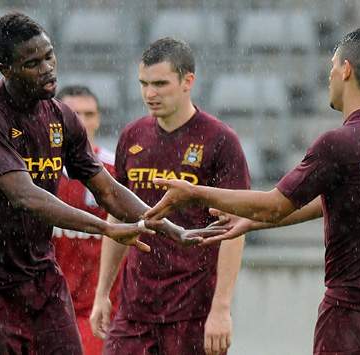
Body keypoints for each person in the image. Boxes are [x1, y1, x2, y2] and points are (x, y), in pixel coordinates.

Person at [0, 13, 223, 355]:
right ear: (6, 69)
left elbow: (106, 189)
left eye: (49, 56)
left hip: (41, 279)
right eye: (32, 63)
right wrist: (106, 229)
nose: (47, 68)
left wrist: (169, 228)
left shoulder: (61, 116)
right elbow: (25, 196)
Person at [146, 26, 360, 354]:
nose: (329, 75)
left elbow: (274, 204)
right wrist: (253, 222)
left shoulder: (339, 143)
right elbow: (343, 198)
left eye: (332, 65)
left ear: (346, 70)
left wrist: (194, 192)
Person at [89, 37, 250, 355]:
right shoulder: (132, 136)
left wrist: (221, 309)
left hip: (192, 310)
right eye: (144, 84)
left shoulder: (220, 141)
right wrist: (103, 291)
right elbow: (118, 215)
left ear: (188, 80)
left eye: (160, 83)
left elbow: (234, 229)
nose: (150, 94)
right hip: (134, 308)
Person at [52, 85, 124, 354]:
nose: (81, 121)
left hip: (99, 311)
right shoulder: (35, 175)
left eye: (89, 113)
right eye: (74, 113)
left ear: (98, 119)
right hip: (48, 309)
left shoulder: (116, 171)